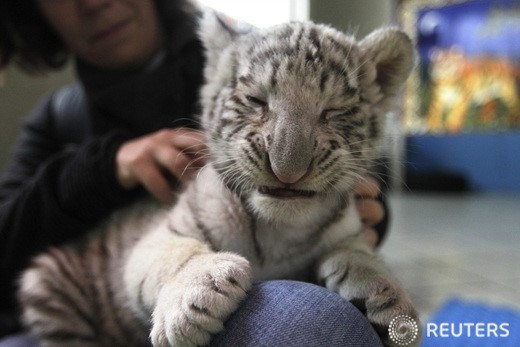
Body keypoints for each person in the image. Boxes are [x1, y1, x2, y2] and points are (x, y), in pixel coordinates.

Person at [0, 0, 388, 345]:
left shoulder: (258, 52)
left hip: (258, 287)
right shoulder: (56, 119)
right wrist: (100, 171)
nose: (95, 3)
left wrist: (352, 209)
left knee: (313, 318)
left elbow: (354, 149)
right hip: (93, 308)